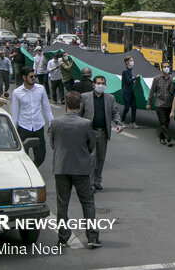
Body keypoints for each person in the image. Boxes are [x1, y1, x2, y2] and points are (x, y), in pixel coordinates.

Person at [49, 91, 102, 249]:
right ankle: (92, 236)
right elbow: (92, 146)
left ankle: (63, 238)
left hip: (61, 167)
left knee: (62, 204)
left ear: (66, 104)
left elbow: (53, 144)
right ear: (79, 106)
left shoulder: (55, 122)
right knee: (87, 203)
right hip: (81, 168)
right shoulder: (85, 123)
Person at [79, 76, 124, 191]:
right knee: (91, 158)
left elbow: (115, 112)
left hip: (103, 133)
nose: (101, 85)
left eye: (103, 83)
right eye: (99, 83)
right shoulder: (85, 97)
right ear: (93, 84)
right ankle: (90, 183)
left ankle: (97, 181)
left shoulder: (110, 98)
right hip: (90, 132)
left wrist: (119, 124)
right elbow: (79, 113)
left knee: (101, 158)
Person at [11, 66, 54, 167]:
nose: (33, 78)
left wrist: (51, 123)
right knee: (22, 156)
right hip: (23, 127)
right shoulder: (17, 92)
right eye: (31, 76)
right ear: (24, 78)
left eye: (34, 76)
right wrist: (13, 129)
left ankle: (32, 169)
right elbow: (15, 113)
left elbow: (46, 107)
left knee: (41, 156)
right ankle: (27, 174)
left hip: (38, 127)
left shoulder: (41, 89)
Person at [146, 61, 175, 146]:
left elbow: (171, 92)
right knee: (163, 122)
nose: (166, 68)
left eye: (168, 66)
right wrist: (148, 102)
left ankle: (161, 137)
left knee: (166, 123)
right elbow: (152, 91)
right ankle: (168, 140)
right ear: (161, 68)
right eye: (165, 66)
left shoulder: (171, 79)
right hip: (159, 104)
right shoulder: (156, 79)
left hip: (169, 104)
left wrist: (173, 83)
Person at [121, 56, 139, 129]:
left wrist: (133, 80)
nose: (132, 62)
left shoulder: (130, 70)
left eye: (132, 60)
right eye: (131, 60)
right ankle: (121, 121)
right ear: (126, 62)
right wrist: (135, 78)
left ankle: (132, 122)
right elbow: (128, 80)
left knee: (134, 107)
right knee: (127, 107)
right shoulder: (125, 71)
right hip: (126, 92)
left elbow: (129, 80)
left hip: (131, 91)